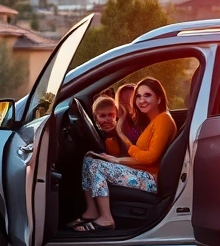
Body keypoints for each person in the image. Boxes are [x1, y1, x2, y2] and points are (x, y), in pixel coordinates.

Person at [71, 78, 177, 232]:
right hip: (143, 171)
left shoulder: (163, 120)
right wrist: (115, 159)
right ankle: (92, 210)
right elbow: (140, 156)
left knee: (96, 165)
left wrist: (119, 156)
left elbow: (150, 157)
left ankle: (106, 218)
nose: (141, 100)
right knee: (89, 159)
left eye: (147, 95)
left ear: (159, 98)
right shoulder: (153, 120)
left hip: (150, 179)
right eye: (138, 96)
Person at [116, 83, 143, 150]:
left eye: (132, 100)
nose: (130, 105)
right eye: (125, 102)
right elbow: (126, 148)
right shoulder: (122, 122)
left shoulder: (145, 116)